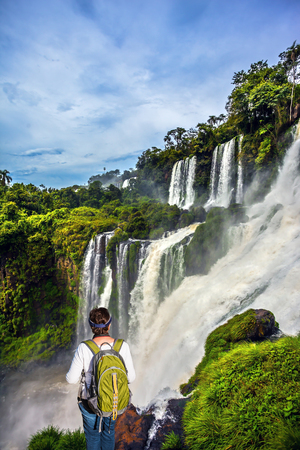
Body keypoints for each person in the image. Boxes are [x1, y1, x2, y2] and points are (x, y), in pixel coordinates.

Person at [66, 307, 135, 450]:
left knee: (92, 435)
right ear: (109, 325)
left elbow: (71, 379)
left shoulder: (84, 348)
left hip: (89, 401)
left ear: (91, 327)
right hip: (114, 399)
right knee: (108, 433)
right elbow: (131, 378)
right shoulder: (122, 346)